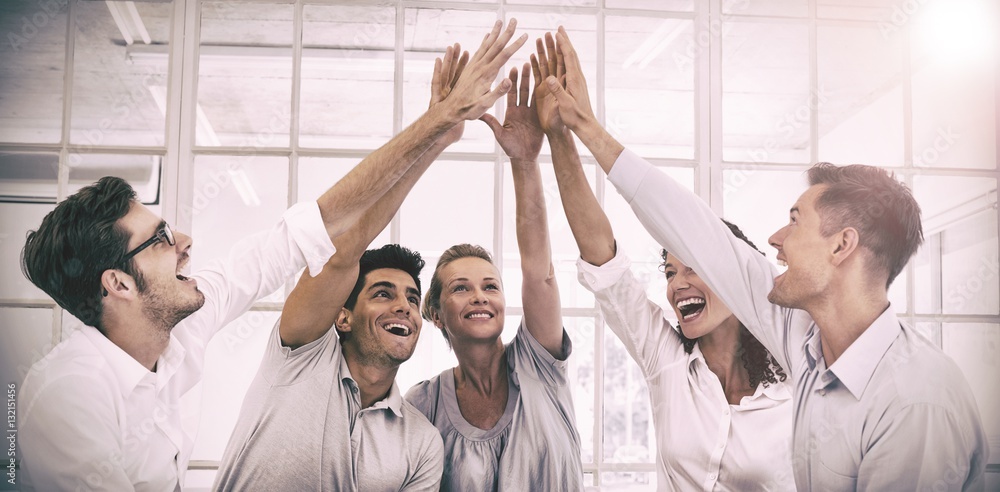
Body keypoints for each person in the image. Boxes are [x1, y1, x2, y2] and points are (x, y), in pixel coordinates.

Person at [17, 18, 527, 491]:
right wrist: (435, 124)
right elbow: (339, 253)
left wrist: (438, 130)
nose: (185, 243)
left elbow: (312, 230)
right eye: (161, 239)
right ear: (119, 284)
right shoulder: (67, 396)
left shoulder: (177, 328)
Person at [541, 26, 989, 491]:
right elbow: (695, 231)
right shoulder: (806, 344)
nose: (775, 239)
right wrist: (584, 129)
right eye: (671, 270)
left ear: (842, 246)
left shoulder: (914, 402)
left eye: (795, 221)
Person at [529, 33, 793, 491]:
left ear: (731, 275)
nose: (677, 285)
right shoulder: (666, 359)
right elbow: (604, 261)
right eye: (670, 272)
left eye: (693, 268)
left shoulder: (795, 376)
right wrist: (559, 137)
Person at [404, 63, 583, 491]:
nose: (480, 297)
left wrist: (524, 162)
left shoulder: (538, 364)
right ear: (435, 314)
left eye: (490, 286)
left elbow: (539, 272)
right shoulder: (421, 406)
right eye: (461, 288)